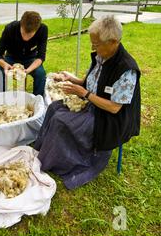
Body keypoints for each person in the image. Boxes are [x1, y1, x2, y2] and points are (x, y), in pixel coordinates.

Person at [34, 15, 141, 189]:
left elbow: (114, 108)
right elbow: (93, 82)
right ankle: (44, 149)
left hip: (109, 119)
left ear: (113, 42)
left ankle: (56, 161)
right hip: (92, 104)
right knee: (54, 108)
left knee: (62, 122)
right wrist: (74, 80)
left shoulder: (126, 70)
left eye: (96, 44)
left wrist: (85, 93)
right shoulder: (102, 56)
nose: (93, 47)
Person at [0, 11, 48, 96]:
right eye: (23, 33)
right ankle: (0, 100)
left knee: (41, 74)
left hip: (30, 58)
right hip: (11, 57)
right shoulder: (10, 28)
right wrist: (5, 65)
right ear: (20, 24)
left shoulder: (43, 29)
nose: (25, 38)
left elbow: (41, 57)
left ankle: (38, 101)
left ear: (37, 29)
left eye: (30, 35)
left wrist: (28, 70)